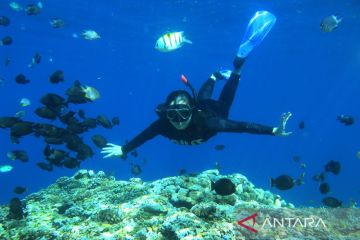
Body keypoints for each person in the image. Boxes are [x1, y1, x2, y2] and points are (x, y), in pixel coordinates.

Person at [101, 11, 292, 159]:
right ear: (167, 112)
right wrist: (124, 149)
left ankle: (236, 70)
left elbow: (242, 126)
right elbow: (145, 135)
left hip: (213, 111)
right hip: (200, 105)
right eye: (173, 114)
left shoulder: (210, 123)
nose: (177, 119)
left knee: (222, 104)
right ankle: (215, 76)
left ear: (190, 111)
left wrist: (274, 131)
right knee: (202, 99)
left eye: (182, 113)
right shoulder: (163, 124)